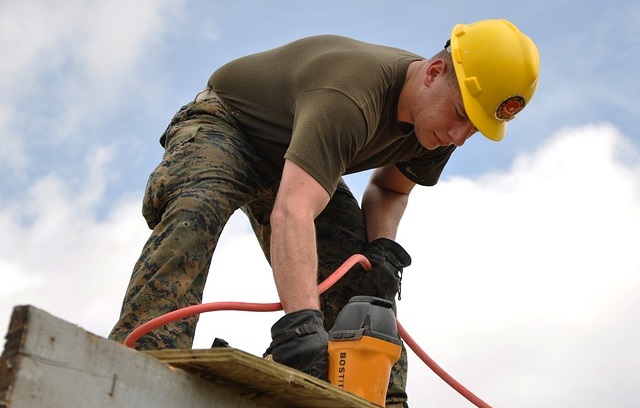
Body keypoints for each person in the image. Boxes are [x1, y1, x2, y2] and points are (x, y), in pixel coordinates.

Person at [109, 19, 540, 407]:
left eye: (475, 128)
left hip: (298, 159)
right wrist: (300, 324)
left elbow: (390, 188)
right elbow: (292, 213)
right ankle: (140, 354)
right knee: (196, 213)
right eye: (461, 116)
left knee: (364, 277)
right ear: (433, 73)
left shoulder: (438, 128)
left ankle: (380, 398)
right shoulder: (350, 97)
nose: (459, 137)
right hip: (229, 125)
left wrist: (383, 247)